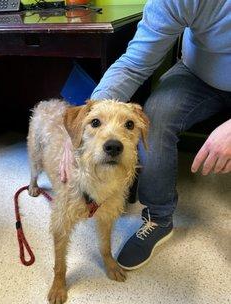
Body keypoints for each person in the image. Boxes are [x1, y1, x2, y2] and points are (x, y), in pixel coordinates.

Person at [91, 0, 231, 270]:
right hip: (198, 76)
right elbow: (133, 64)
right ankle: (158, 217)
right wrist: (90, 120)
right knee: (153, 119)